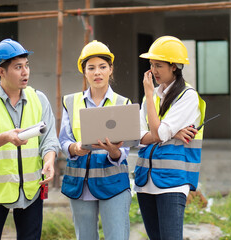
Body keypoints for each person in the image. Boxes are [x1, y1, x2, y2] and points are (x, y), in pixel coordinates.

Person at [0, 39, 60, 240]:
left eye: (27, 66)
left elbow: (50, 140)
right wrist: (7, 137)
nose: (25, 72)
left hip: (31, 190)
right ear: (1, 71)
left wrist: (49, 161)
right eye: (18, 67)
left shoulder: (39, 99)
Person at [133, 36, 206, 240]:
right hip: (145, 179)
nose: (153, 71)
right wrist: (171, 132)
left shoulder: (187, 96)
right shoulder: (154, 95)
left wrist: (148, 96)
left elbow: (157, 133)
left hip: (173, 180)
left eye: (159, 65)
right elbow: (136, 136)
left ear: (174, 66)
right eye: (151, 64)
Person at [59, 40, 132, 240]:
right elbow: (64, 141)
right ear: (84, 72)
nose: (97, 72)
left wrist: (114, 152)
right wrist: (75, 148)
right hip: (80, 185)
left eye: (102, 67)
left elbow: (124, 151)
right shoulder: (71, 102)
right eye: (91, 68)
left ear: (111, 69)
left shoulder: (122, 103)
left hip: (113, 184)